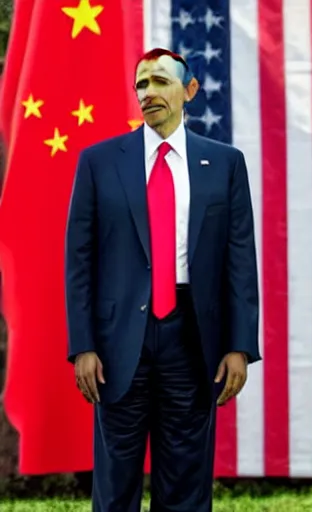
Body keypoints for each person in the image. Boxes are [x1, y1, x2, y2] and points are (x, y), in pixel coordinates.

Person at [65, 48, 261, 511]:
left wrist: (239, 346)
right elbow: (79, 259)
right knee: (114, 489)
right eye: (141, 85)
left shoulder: (226, 164)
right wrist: (83, 345)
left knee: (187, 487)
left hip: (192, 341)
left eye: (159, 81)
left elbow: (240, 261)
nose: (148, 93)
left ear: (189, 91)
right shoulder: (99, 162)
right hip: (117, 346)